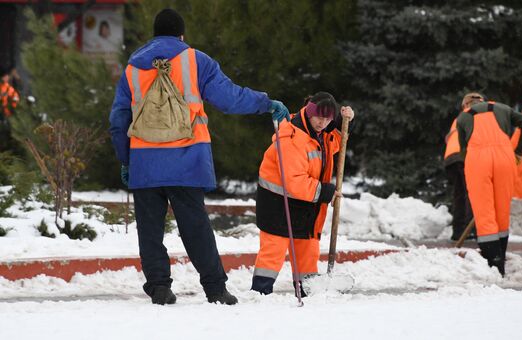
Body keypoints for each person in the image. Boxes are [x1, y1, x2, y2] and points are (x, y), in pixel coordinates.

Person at [109, 8, 291, 305]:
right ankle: (215, 288)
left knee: (150, 230)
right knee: (195, 228)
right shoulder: (195, 60)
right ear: (181, 35)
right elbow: (229, 99)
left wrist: (125, 159)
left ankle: (159, 287)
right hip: (186, 159)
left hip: (145, 161)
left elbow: (118, 118)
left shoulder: (133, 67)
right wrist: (265, 103)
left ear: (154, 34)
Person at [251, 92, 354, 296]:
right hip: (277, 204)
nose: (322, 123)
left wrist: (344, 122)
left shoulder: (321, 133)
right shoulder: (291, 137)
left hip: (306, 203)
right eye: (319, 118)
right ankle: (260, 293)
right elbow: (294, 181)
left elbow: (334, 143)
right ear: (309, 113)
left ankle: (306, 292)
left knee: (307, 251)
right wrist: (325, 192)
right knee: (274, 251)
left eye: (328, 119)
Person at [456, 93, 522, 276]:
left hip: (478, 160)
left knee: (484, 212)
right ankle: (501, 260)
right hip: (505, 159)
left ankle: (494, 265)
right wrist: (519, 152)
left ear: (466, 105)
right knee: (501, 210)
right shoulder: (503, 108)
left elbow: (463, 151)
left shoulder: (463, 117)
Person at [444, 99, 475, 241]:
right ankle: (469, 232)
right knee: (472, 193)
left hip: (450, 158)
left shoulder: (458, 118)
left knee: (459, 194)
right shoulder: (476, 116)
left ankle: (458, 232)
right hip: (465, 155)